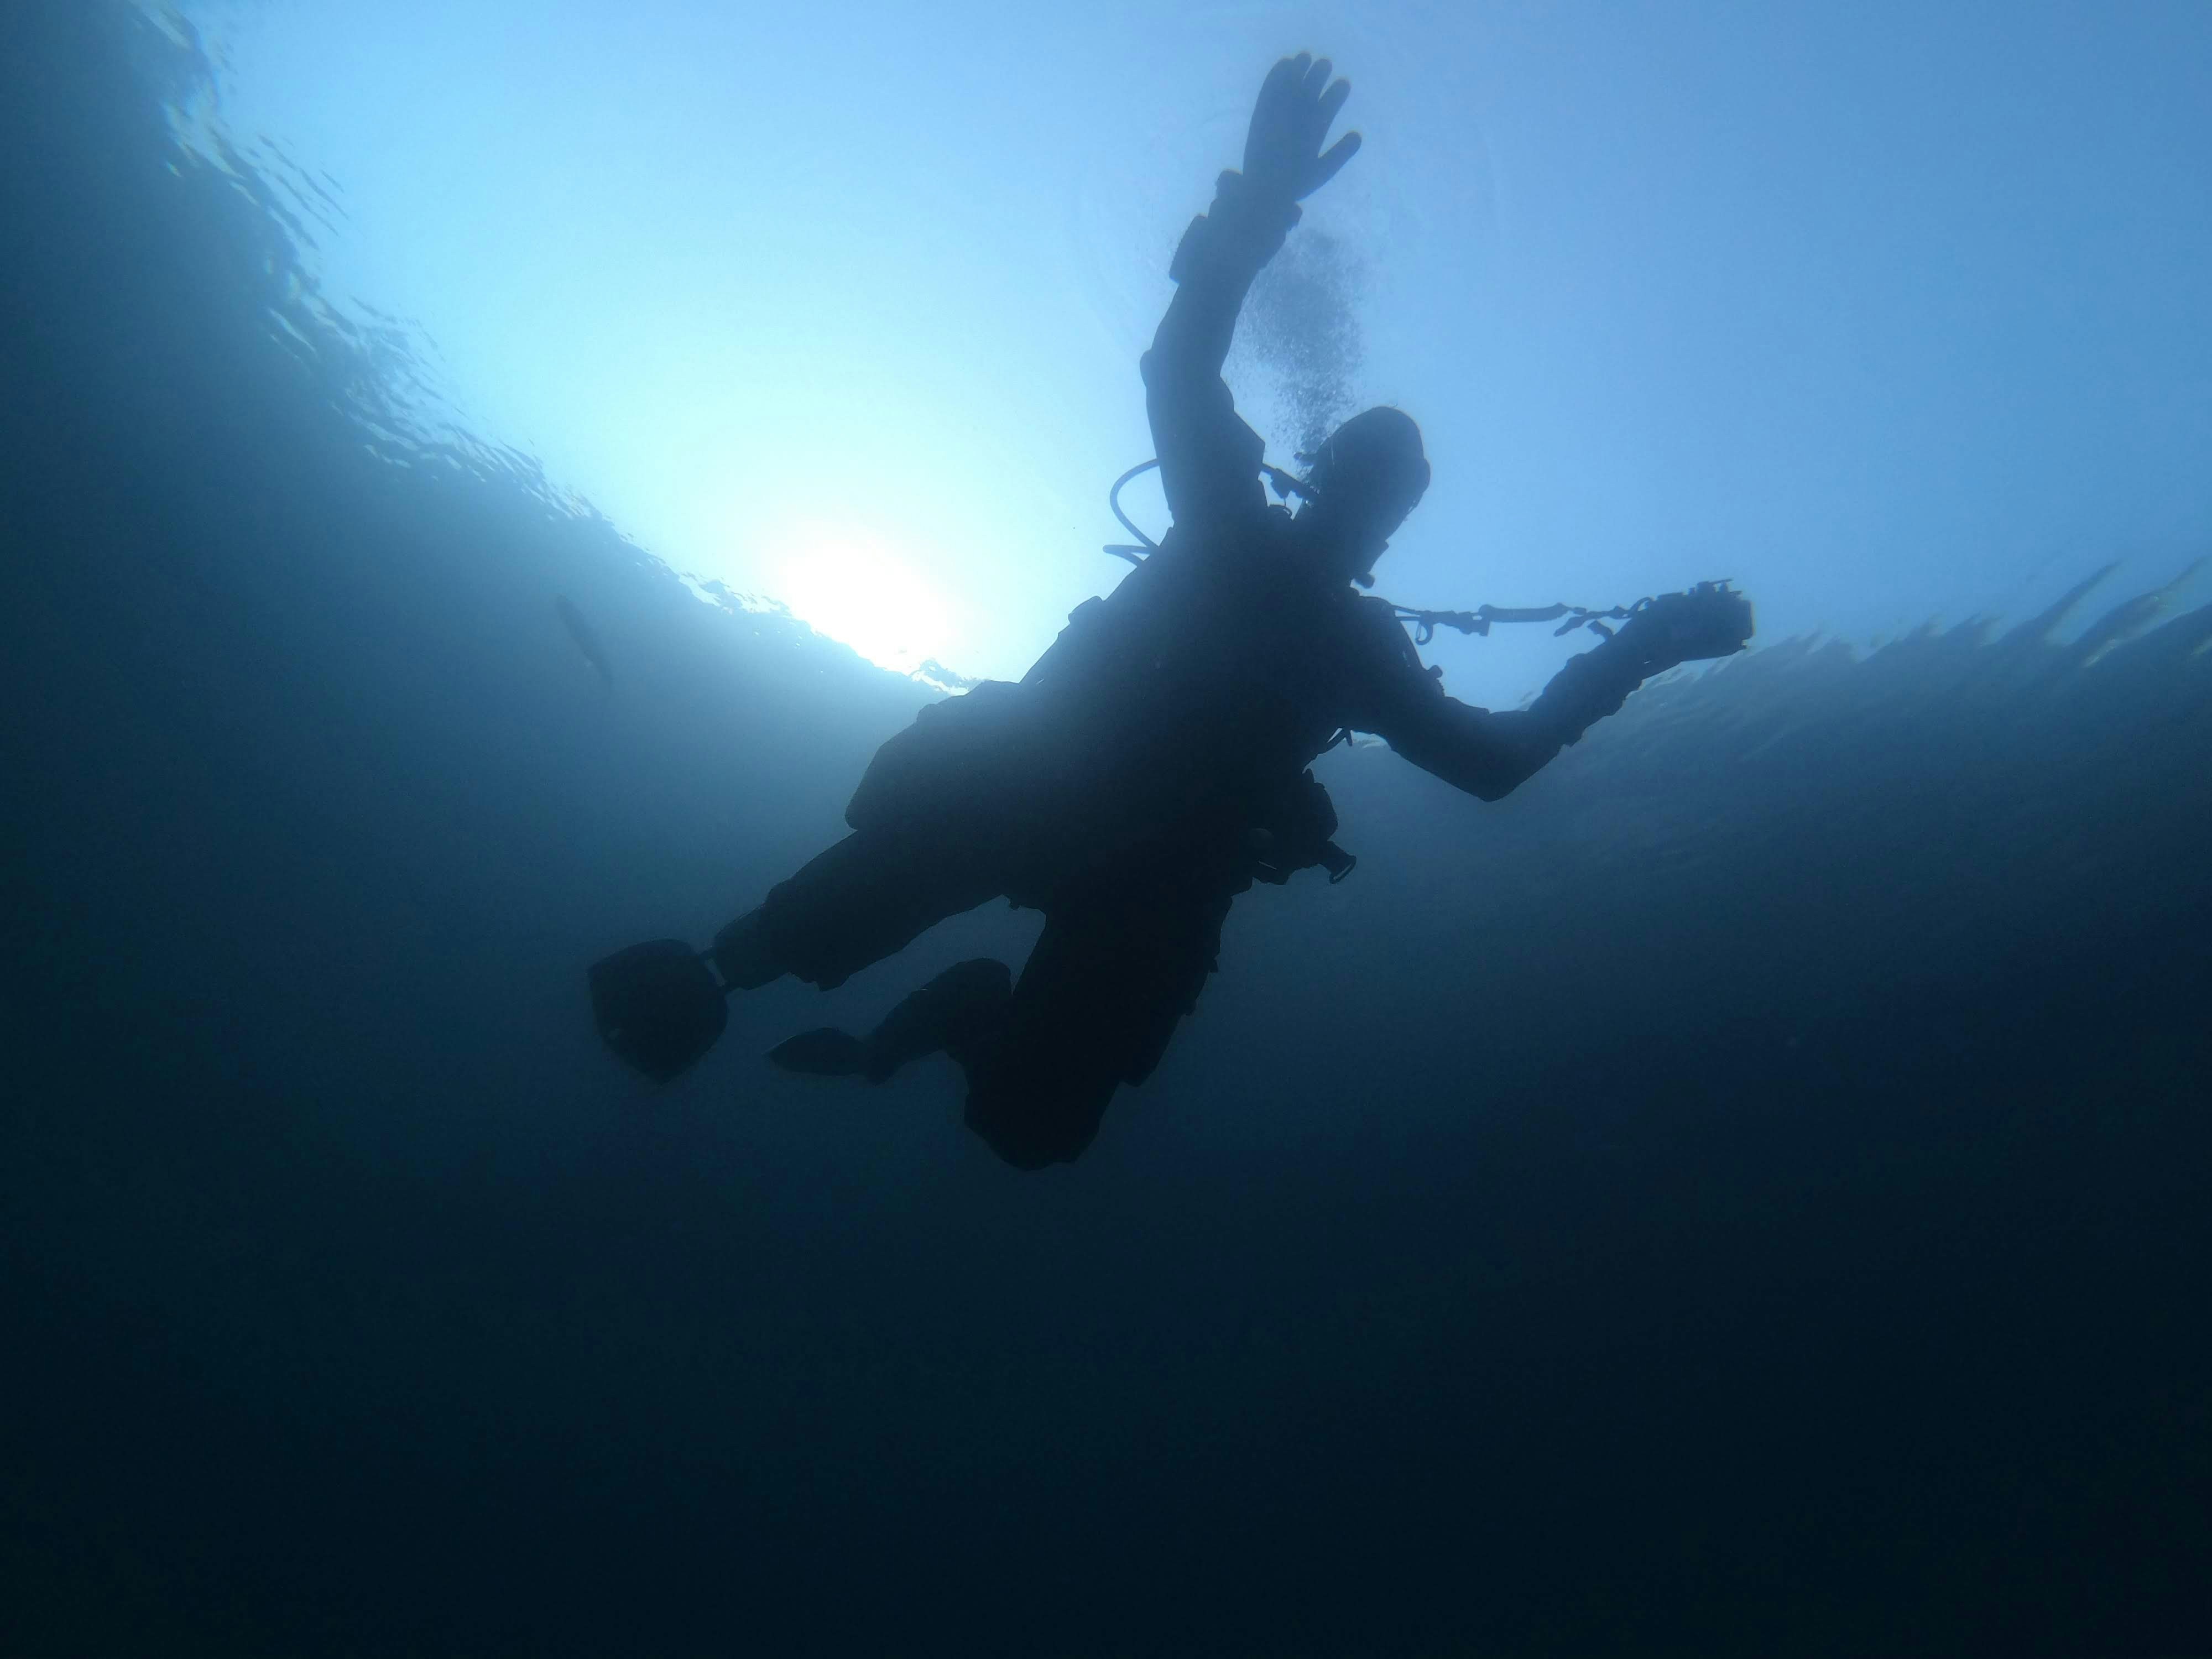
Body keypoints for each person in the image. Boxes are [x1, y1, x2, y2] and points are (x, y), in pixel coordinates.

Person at [588, 53, 1754, 1167]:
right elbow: (1179, 370)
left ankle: (953, 1021)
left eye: (1377, 488)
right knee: (801, 932)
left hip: (1146, 870)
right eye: (1358, 471)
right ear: (1326, 474)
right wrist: (1257, 204)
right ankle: (721, 970)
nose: (1358, 497)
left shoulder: (1304, 597)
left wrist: (1646, 648)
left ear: (1375, 514)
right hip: (1029, 777)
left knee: (1030, 1131)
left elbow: (1490, 766)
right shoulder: (1248, 544)